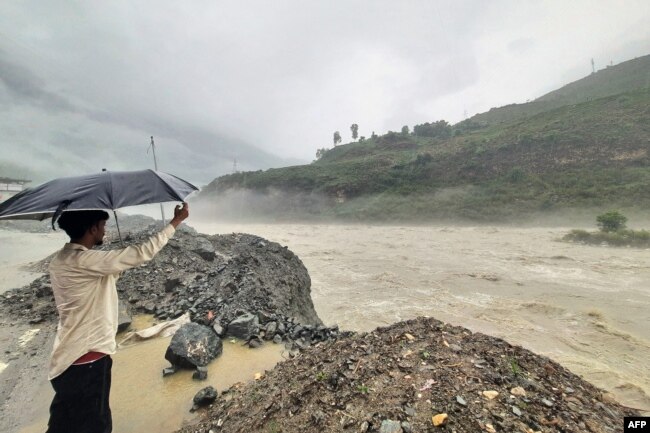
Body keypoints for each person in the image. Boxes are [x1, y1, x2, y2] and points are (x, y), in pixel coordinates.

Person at [45, 203, 190, 433]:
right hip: (88, 360)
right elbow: (143, 252)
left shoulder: (62, 260)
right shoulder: (86, 261)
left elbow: (100, 280)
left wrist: (119, 265)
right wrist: (175, 223)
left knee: (63, 426)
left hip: (65, 360)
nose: (105, 231)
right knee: (97, 425)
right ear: (92, 229)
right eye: (102, 226)